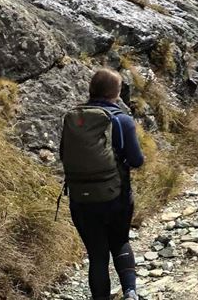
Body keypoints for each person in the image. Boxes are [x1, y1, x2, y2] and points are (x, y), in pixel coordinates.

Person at [62, 69, 145, 300]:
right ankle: (130, 292)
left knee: (97, 254)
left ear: (92, 89)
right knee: (119, 241)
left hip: (81, 198)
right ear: (116, 92)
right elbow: (137, 161)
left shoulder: (73, 119)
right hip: (115, 196)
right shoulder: (122, 120)